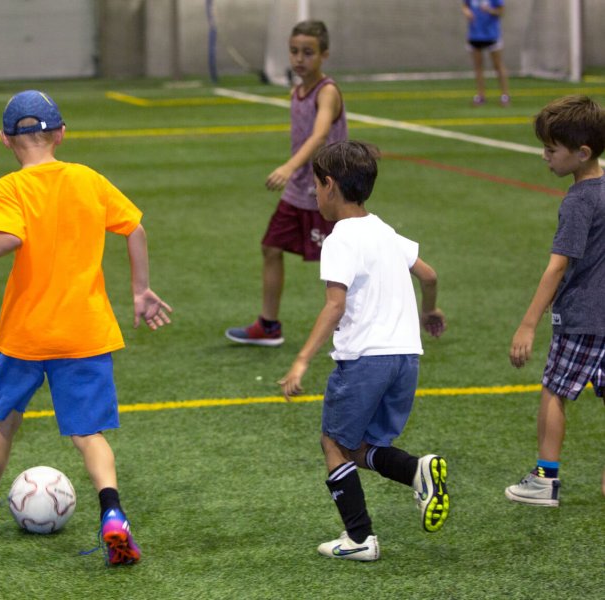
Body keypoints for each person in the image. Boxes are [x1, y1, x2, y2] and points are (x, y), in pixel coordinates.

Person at [0, 90, 172, 565]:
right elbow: (134, 228)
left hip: (27, 332)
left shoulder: (9, 188)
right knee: (89, 433)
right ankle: (113, 514)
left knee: (6, 422)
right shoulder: (87, 178)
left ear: (4, 140)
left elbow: (8, 238)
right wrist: (140, 290)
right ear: (61, 133)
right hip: (84, 329)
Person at [278, 141, 449, 562]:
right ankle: (416, 472)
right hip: (406, 357)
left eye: (316, 185)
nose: (315, 194)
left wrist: (301, 359)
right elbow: (428, 275)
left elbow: (335, 305)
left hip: (364, 360)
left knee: (333, 443)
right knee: (360, 446)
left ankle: (359, 538)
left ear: (330, 185)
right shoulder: (385, 231)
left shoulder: (340, 238)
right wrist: (430, 311)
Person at [507, 95, 605, 507]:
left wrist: (528, 322)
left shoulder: (579, 201)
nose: (544, 156)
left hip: (582, 317)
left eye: (551, 149)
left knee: (554, 390)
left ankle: (545, 480)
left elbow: (558, 267)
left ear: (581, 153)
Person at [226, 20, 347, 347]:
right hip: (300, 191)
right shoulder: (297, 91)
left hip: (331, 193)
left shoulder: (328, 92)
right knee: (271, 247)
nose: (299, 59)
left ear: (324, 55)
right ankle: (268, 326)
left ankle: (365, 324)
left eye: (308, 53)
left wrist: (290, 166)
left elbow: (320, 134)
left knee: (348, 261)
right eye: (294, 52)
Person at [462, 0, 510, 106]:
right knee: (478, 66)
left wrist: (489, 10)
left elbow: (501, 11)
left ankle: (505, 95)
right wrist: (467, 12)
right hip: (475, 34)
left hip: (491, 34)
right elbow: (465, 6)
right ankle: (481, 96)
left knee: (498, 65)